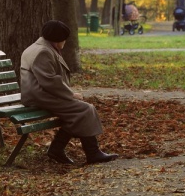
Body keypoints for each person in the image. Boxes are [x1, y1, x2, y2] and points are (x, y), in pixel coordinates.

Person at [20, 20, 118, 165]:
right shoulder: (43, 52)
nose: (65, 41)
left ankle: (59, 149)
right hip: (40, 96)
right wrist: (71, 94)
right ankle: (91, 153)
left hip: (41, 93)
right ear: (58, 39)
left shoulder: (41, 47)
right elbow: (49, 81)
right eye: (64, 38)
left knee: (80, 112)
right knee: (84, 110)